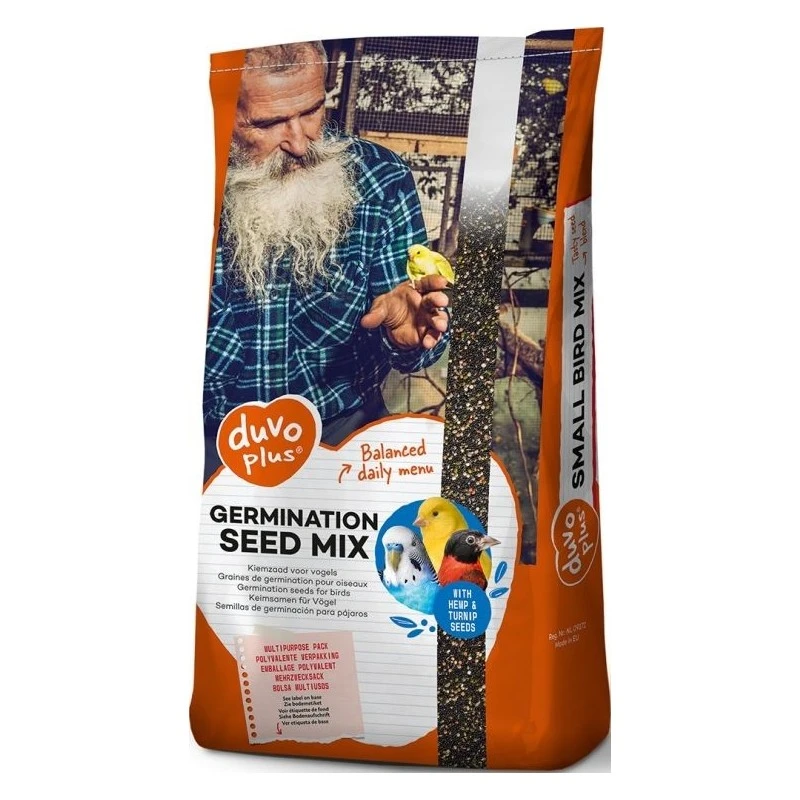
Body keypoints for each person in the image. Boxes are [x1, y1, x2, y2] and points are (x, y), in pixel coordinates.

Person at [203, 41, 450, 478]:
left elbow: (418, 340)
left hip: (343, 431)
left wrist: (407, 337)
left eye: (313, 110)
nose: (300, 143)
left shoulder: (381, 179)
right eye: (268, 123)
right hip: (204, 441)